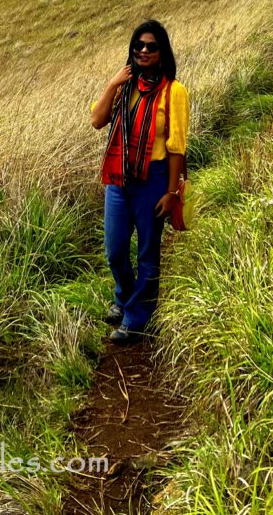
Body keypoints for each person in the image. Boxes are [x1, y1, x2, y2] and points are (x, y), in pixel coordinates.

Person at [90, 20, 189, 344]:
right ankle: (124, 297)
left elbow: (176, 146)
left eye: (151, 46)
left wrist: (172, 192)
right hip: (119, 179)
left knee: (147, 252)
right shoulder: (125, 86)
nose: (143, 51)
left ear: (162, 53)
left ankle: (136, 317)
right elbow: (97, 120)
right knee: (115, 250)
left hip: (154, 178)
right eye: (138, 45)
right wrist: (111, 84)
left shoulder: (174, 92)